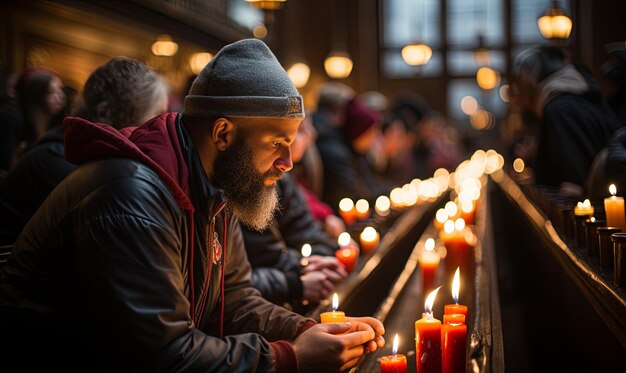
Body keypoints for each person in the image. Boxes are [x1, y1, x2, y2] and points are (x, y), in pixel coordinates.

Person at [0, 39, 384, 371]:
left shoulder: (214, 183)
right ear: (222, 133)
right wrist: (288, 357)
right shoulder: (130, 196)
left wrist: (305, 330)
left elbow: (233, 298)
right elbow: (160, 357)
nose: (288, 163)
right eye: (277, 143)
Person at [0, 57, 169, 245]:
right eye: (157, 115)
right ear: (127, 113)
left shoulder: (73, 149)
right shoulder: (62, 160)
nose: (162, 126)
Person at [512, 46, 622, 190]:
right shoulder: (578, 96)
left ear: (531, 79)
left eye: (522, 83)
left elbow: (572, 179)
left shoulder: (558, 109)